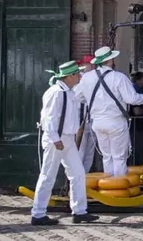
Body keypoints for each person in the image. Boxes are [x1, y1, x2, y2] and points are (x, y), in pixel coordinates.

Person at [31, 61, 98, 226]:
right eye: (77, 74)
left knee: (78, 173)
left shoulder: (68, 92)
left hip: (67, 139)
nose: (80, 76)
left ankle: (79, 211)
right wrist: (55, 139)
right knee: (48, 175)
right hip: (58, 139)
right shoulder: (56, 92)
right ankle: (38, 214)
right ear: (70, 76)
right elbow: (49, 118)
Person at [79, 46, 143, 176]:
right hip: (115, 122)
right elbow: (131, 99)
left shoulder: (86, 78)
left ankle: (110, 187)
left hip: (97, 122)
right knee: (119, 158)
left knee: (107, 157)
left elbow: (79, 97)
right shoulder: (119, 77)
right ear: (111, 60)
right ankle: (119, 187)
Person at [74, 55, 97, 173]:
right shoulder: (79, 79)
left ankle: (85, 177)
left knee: (90, 152)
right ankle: (78, 178)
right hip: (81, 119)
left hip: (93, 118)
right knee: (80, 151)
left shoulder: (97, 78)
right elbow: (77, 99)